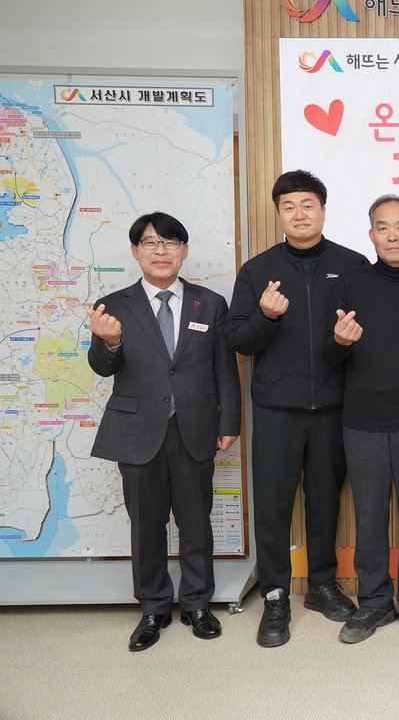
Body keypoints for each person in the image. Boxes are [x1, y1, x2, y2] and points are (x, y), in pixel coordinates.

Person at [225, 170, 369, 647]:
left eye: (308, 205)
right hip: (276, 409)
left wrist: (344, 343)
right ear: (279, 214)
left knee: (326, 501)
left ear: (323, 211)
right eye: (289, 207)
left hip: (333, 406)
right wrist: (266, 317)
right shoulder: (257, 270)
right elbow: (238, 339)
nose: (299, 214)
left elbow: (363, 339)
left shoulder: (352, 265)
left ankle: (322, 585)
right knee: (272, 505)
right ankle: (275, 595)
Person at [86, 212, 241, 651]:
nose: (161, 251)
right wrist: (109, 342)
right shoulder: (113, 304)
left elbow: (224, 370)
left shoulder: (210, 303)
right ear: (135, 251)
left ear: (184, 251)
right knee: (146, 525)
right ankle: (153, 607)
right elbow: (102, 367)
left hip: (195, 427)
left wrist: (229, 422)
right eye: (150, 243)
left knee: (196, 523)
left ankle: (197, 604)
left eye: (170, 243)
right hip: (137, 431)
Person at [323, 195, 399, 644]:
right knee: (369, 517)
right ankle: (374, 601)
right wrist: (339, 341)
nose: (392, 236)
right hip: (362, 421)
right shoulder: (350, 284)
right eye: (383, 227)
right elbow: (328, 353)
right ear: (371, 234)